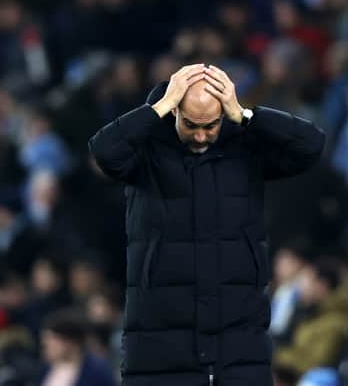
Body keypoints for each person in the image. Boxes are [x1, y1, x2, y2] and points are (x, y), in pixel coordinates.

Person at [88, 63, 325, 386]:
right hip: (159, 347)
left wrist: (246, 115)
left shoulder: (247, 144)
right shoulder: (145, 149)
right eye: (190, 124)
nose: (201, 136)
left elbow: (310, 146)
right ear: (173, 112)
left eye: (210, 125)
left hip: (238, 346)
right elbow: (103, 150)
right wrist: (155, 109)